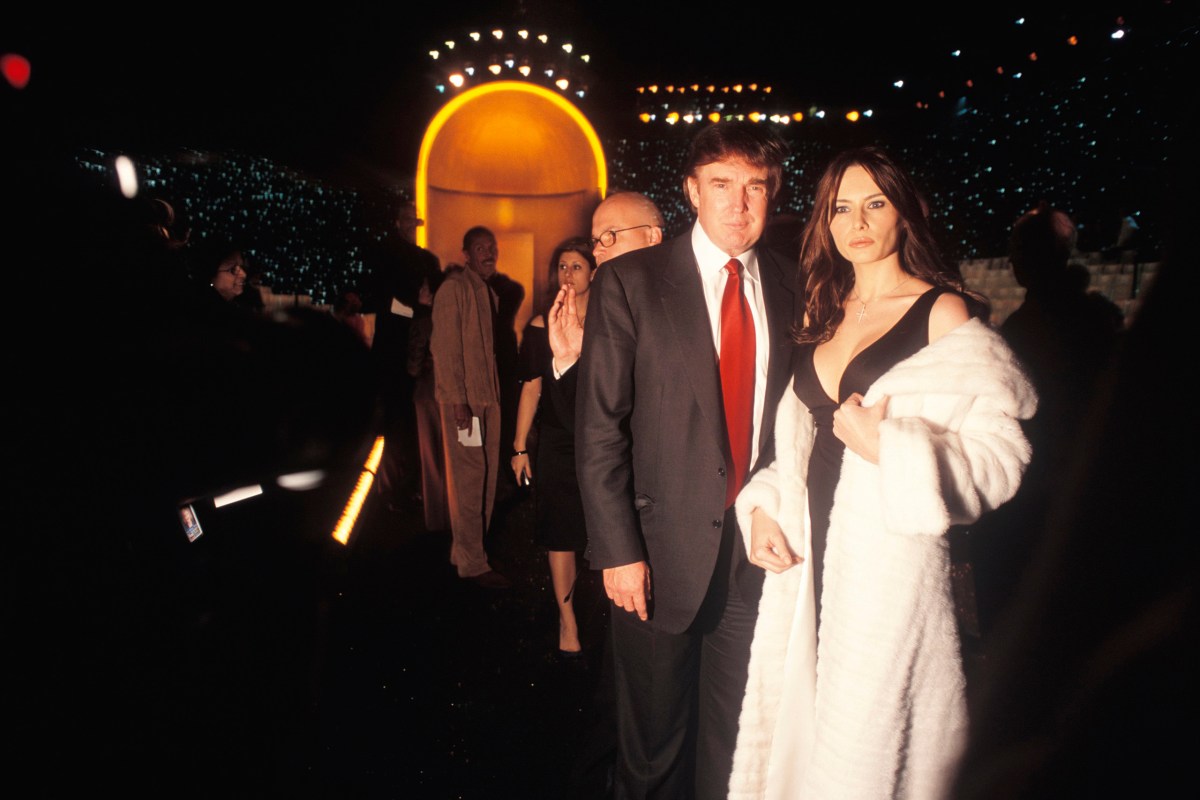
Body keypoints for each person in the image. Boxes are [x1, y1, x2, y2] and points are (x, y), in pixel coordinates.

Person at [726, 146, 1037, 800]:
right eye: (841, 207)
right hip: (804, 562)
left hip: (887, 576)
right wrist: (759, 509)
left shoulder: (942, 313)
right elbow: (794, 448)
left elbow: (1000, 459)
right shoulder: (820, 312)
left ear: (904, 214)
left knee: (870, 761)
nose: (857, 221)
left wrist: (891, 448)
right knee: (800, 742)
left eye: (875, 203)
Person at [575, 121, 796, 798]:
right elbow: (600, 429)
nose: (739, 204)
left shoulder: (789, 287)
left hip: (752, 557)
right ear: (692, 191)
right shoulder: (633, 282)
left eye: (756, 187)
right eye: (723, 185)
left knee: (733, 744)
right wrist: (617, 551)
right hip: (655, 553)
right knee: (653, 750)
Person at [511, 237, 597, 657]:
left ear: (594, 272)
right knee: (561, 533)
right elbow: (531, 388)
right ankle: (568, 622)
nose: (568, 274)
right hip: (558, 443)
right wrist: (518, 447)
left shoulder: (610, 322)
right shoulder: (540, 326)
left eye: (577, 266)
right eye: (562, 266)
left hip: (604, 441)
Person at [430, 226, 511, 589]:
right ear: (466, 254)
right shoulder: (453, 290)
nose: (489, 254)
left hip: (487, 399)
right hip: (464, 403)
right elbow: (444, 350)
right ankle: (473, 564)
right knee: (469, 480)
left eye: (492, 248)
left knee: (486, 477)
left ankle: (463, 552)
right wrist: (458, 401)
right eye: (481, 248)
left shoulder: (488, 294)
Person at [363, 200, 443, 513]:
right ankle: (390, 487)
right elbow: (383, 301)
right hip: (398, 355)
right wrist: (416, 308)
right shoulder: (388, 256)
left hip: (415, 355)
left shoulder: (423, 259)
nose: (411, 224)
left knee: (407, 423)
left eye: (414, 219)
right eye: (406, 219)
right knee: (396, 422)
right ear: (397, 222)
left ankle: (402, 486)